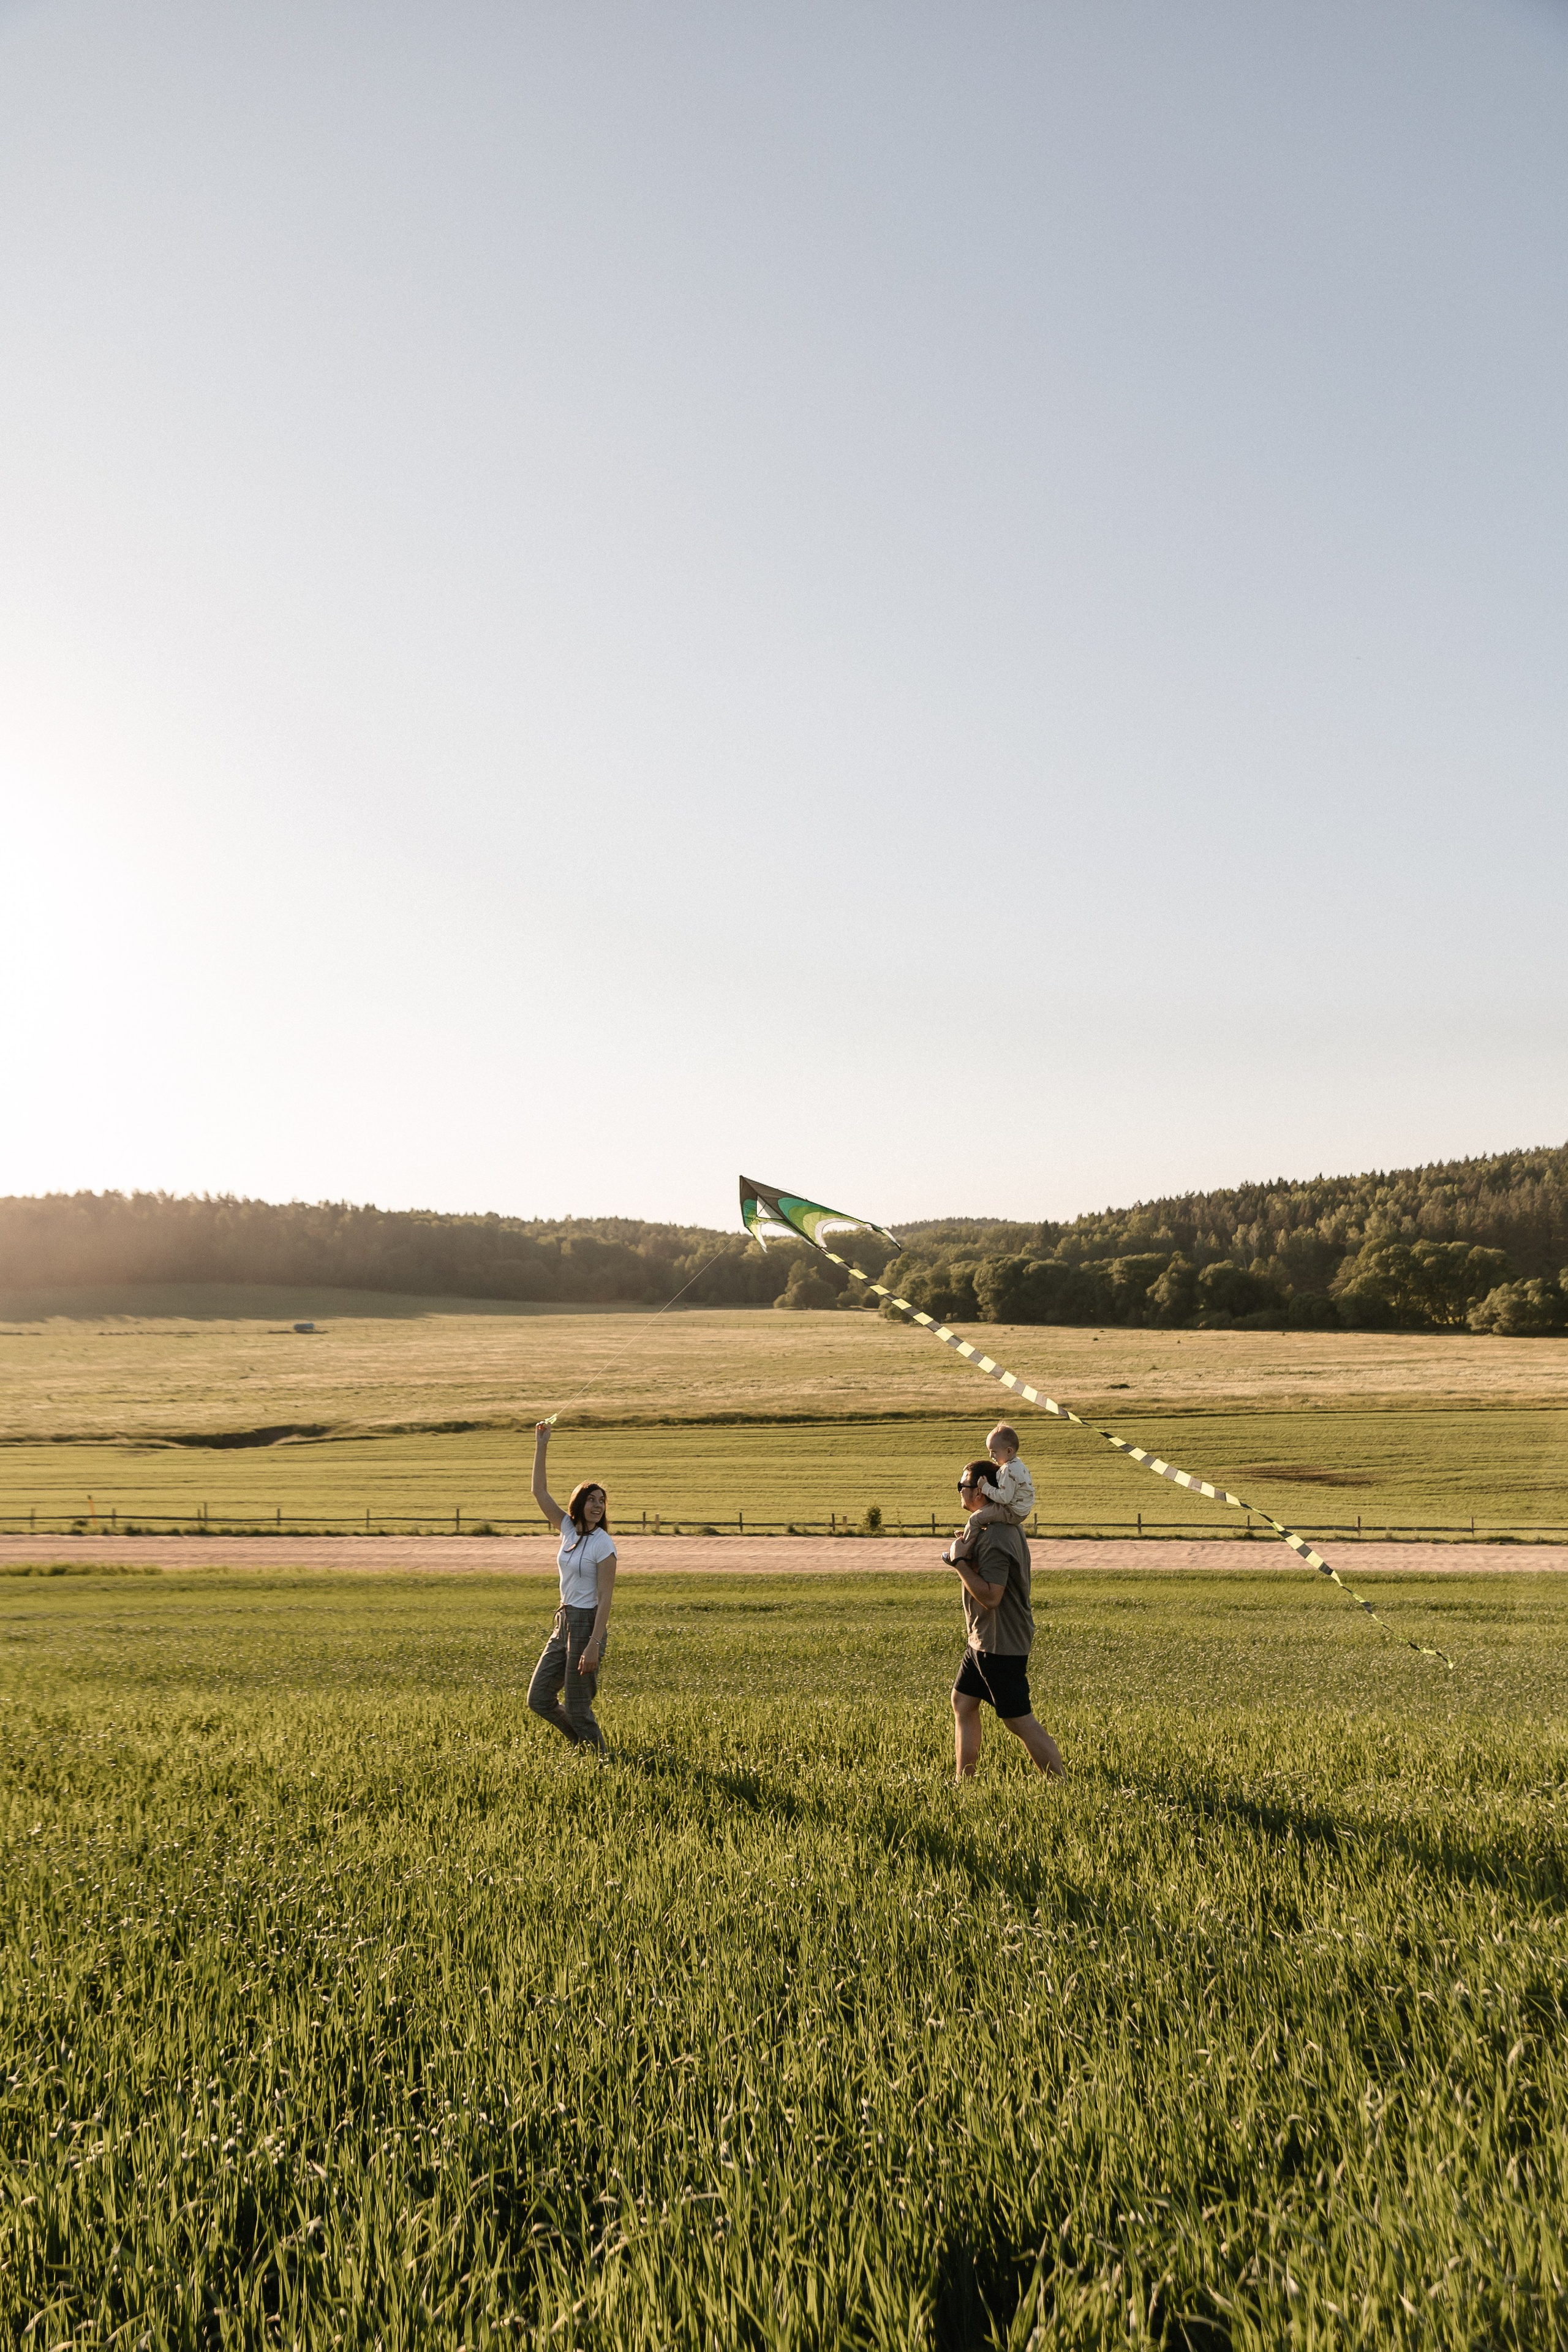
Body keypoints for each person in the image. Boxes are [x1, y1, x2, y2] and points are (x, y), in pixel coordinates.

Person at [943, 1457, 1064, 1782]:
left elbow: (992, 1596)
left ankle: (1062, 1784)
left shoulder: (997, 1535)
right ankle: (963, 1782)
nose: (961, 1491)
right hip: (983, 1639)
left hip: (999, 1642)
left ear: (983, 1490)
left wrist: (958, 1563)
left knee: (1017, 1719)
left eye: (963, 1485)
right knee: (963, 1702)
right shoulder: (993, 1528)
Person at [527, 1420, 617, 1754]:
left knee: (579, 1709)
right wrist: (542, 1444)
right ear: (579, 1504)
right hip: (563, 1623)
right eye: (592, 1499)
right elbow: (539, 1491)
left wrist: (593, 1644)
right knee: (539, 1699)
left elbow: (606, 1599)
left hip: (587, 1625)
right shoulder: (567, 1528)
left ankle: (602, 1761)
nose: (598, 1505)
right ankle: (582, 1745)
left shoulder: (603, 1544)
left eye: (602, 1501)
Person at [945, 1422, 1036, 1564]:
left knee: (975, 1519)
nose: (991, 1455)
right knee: (983, 1518)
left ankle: (964, 1551)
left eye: (994, 1451)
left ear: (1009, 1451)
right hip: (1019, 1511)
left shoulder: (1008, 1470)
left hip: (1011, 1511)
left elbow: (1004, 1498)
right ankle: (972, 1536)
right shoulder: (1019, 1465)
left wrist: (985, 1487)